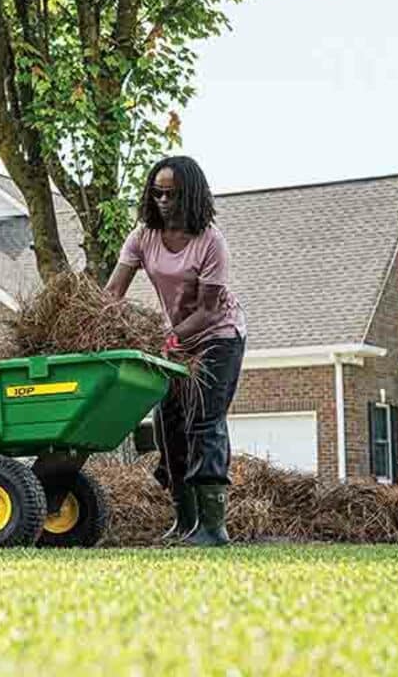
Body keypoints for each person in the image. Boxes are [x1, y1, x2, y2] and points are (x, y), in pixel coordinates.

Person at [104, 155, 246, 546]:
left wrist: (166, 338)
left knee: (204, 421)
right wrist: (100, 323)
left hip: (218, 336)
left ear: (192, 196)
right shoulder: (143, 236)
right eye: (158, 193)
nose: (164, 201)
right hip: (173, 341)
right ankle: (186, 523)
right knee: (168, 426)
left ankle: (213, 529)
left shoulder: (210, 242)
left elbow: (209, 310)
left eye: (173, 194)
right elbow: (112, 293)